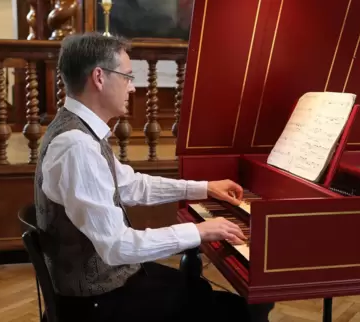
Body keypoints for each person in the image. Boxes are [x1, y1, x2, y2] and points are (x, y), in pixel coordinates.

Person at [34, 32, 273, 322]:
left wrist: (203, 188)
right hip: (97, 305)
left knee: (198, 289)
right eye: (127, 76)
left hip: (105, 286)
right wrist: (198, 231)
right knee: (236, 311)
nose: (132, 88)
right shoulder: (76, 145)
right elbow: (116, 246)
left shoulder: (77, 131)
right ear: (99, 77)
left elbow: (132, 185)